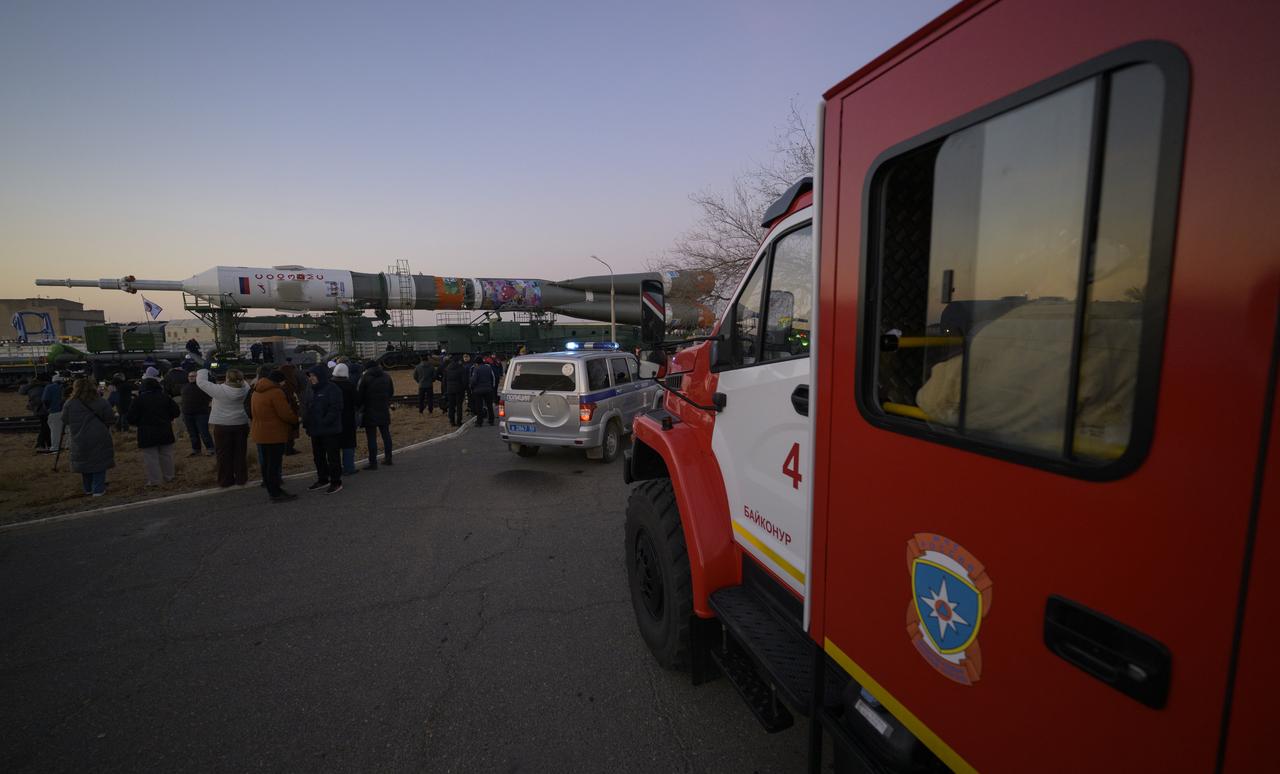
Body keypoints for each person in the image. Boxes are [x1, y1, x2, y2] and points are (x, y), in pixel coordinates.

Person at [196, 367, 250, 487]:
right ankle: (241, 478)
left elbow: (201, 382)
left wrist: (203, 370)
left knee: (223, 454)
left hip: (223, 426)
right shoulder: (245, 388)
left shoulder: (219, 390)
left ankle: (225, 480)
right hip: (241, 423)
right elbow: (243, 381)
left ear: (226, 378)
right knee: (240, 453)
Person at [250, 370, 299, 502]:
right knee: (274, 464)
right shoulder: (276, 392)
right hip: (273, 433)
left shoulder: (256, 391)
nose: (284, 384)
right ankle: (275, 492)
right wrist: (295, 420)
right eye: (283, 381)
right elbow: (285, 413)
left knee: (266, 463)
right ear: (279, 380)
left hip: (260, 432)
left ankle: (271, 488)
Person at [127, 367, 180, 487]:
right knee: (167, 455)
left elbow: (130, 417)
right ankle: (169, 476)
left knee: (151, 458)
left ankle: (155, 481)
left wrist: (138, 423)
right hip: (165, 429)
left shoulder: (138, 400)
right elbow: (176, 412)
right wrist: (169, 418)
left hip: (146, 432)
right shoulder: (165, 398)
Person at [62, 378, 115, 496]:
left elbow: (65, 419)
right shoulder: (101, 401)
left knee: (84, 463)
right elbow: (110, 418)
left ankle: (88, 488)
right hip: (99, 436)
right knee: (99, 462)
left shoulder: (69, 403)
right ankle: (98, 488)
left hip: (79, 437)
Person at [303, 364, 344, 493]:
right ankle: (322, 478)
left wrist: (325, 421)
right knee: (318, 457)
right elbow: (307, 407)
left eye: (313, 376)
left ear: (320, 376)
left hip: (329, 430)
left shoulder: (332, 388)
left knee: (332, 457)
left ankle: (336, 481)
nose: (311, 379)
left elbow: (335, 408)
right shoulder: (310, 389)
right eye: (310, 376)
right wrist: (307, 423)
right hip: (315, 430)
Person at [357, 359, 394, 469]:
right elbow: (391, 392)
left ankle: (373, 462)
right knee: (386, 435)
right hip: (383, 409)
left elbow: (359, 396)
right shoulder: (387, 376)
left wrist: (360, 407)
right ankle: (388, 458)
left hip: (369, 410)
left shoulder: (365, 378)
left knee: (371, 438)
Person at [331, 363, 360, 477]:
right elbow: (357, 401)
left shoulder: (330, 385)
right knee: (348, 444)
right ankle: (349, 468)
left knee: (333, 445)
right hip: (348, 419)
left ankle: (335, 468)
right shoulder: (350, 386)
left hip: (333, 419)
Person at [180, 370, 215, 457]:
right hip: (188, 413)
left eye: (193, 376)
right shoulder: (185, 386)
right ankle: (196, 449)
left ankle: (210, 448)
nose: (191, 377)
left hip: (201, 413)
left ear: (198, 377)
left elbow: (210, 397)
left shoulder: (203, 386)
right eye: (189, 376)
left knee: (204, 432)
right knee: (192, 433)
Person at [279, 360, 303, 455]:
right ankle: (288, 448)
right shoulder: (288, 383)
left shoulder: (284, 382)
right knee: (289, 429)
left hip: (290, 407)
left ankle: (288, 447)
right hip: (289, 409)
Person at [21, 375, 51, 450]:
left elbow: (21, 391)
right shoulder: (44, 387)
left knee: (45, 426)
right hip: (43, 409)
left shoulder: (31, 388)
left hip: (37, 409)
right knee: (45, 426)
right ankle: (42, 443)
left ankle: (45, 444)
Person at [469, 353, 498, 426]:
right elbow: (492, 377)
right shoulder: (488, 367)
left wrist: (471, 387)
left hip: (478, 391)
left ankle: (479, 422)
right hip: (488, 389)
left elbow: (474, 380)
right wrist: (492, 387)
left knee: (479, 407)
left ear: (476, 363)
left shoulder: (476, 369)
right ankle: (491, 420)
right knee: (489, 406)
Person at [42, 373, 68, 454]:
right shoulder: (67, 387)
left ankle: (55, 448)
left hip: (55, 411)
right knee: (69, 430)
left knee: (55, 431)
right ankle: (69, 446)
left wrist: (48, 408)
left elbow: (45, 400)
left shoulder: (49, 387)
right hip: (68, 411)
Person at [443, 354, 467, 427]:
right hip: (459, 389)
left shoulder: (447, 368)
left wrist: (446, 389)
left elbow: (444, 380)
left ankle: (452, 421)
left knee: (451, 406)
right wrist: (464, 388)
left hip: (450, 389)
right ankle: (459, 421)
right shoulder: (461, 368)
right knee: (459, 406)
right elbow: (464, 380)